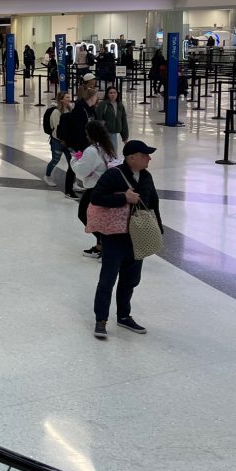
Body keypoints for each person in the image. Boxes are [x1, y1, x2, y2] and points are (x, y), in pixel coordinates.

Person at [88, 140, 162, 339]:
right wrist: (123, 198)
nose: (149, 158)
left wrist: (157, 230)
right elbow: (96, 198)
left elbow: (153, 203)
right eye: (145, 154)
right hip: (115, 238)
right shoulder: (114, 174)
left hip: (137, 237)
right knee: (107, 280)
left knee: (130, 280)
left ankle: (123, 316)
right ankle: (101, 320)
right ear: (132, 157)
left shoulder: (146, 176)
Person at [72, 121, 119, 258]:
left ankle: (105, 243)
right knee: (97, 217)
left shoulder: (92, 150)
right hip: (107, 187)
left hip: (95, 189)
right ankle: (100, 245)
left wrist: (74, 161)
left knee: (84, 214)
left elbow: (81, 171)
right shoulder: (108, 147)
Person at [57, 87, 98, 199]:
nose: (96, 99)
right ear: (91, 97)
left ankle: (82, 185)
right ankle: (68, 190)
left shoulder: (90, 109)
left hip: (88, 142)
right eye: (95, 96)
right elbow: (78, 129)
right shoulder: (80, 109)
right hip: (79, 143)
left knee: (85, 164)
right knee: (73, 166)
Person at [43, 91, 72, 186]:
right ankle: (47, 176)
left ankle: (73, 181)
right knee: (55, 160)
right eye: (67, 97)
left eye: (69, 97)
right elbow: (57, 128)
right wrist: (62, 139)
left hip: (68, 140)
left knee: (72, 162)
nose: (69, 99)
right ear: (61, 100)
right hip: (57, 141)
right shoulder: (56, 112)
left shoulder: (69, 110)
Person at [95, 85, 129, 151]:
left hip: (114, 133)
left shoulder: (120, 105)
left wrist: (125, 137)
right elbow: (97, 118)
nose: (113, 94)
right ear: (107, 94)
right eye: (110, 93)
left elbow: (123, 120)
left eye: (114, 92)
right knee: (107, 152)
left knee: (113, 152)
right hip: (105, 133)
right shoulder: (103, 104)